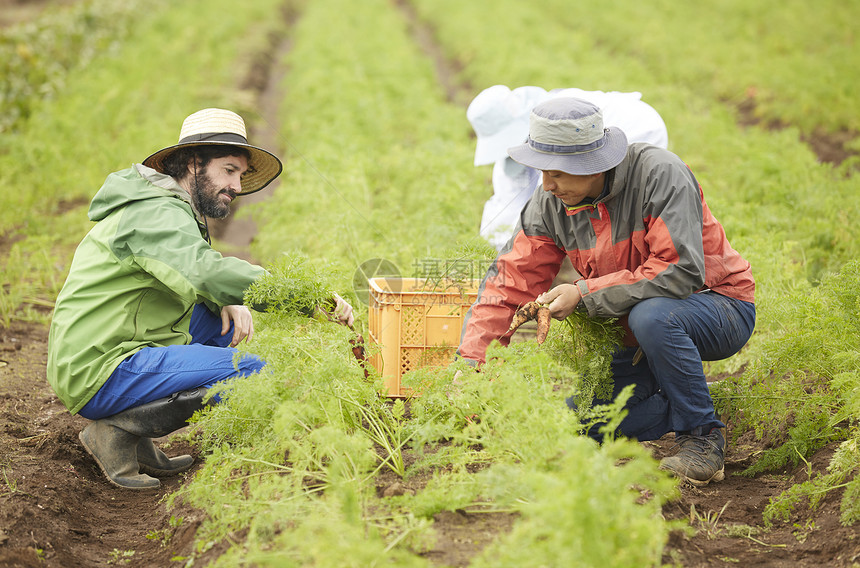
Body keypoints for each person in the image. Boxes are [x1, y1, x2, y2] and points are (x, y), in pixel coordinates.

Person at [47, 108, 354, 490]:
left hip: (118, 336)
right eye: (229, 170)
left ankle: (139, 440)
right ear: (193, 163)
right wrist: (303, 296)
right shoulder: (155, 212)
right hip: (100, 366)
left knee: (223, 325)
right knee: (252, 370)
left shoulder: (168, 205)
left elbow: (182, 273)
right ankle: (117, 430)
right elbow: (204, 270)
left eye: (240, 175)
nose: (237, 186)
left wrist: (222, 299)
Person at [457, 97, 755, 487]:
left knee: (652, 316)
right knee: (579, 423)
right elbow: (508, 284)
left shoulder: (659, 174)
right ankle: (687, 398)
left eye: (558, 173)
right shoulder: (549, 204)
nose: (547, 185)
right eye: (543, 172)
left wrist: (583, 292)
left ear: (593, 163)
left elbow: (680, 270)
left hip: (717, 306)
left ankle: (702, 437)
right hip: (635, 335)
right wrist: (471, 366)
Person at [467, 85, 669, 252]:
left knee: (606, 209)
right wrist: (493, 251)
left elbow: (541, 204)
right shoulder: (518, 147)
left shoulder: (562, 117)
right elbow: (507, 199)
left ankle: (609, 270)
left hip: (635, 128)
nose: (548, 183)